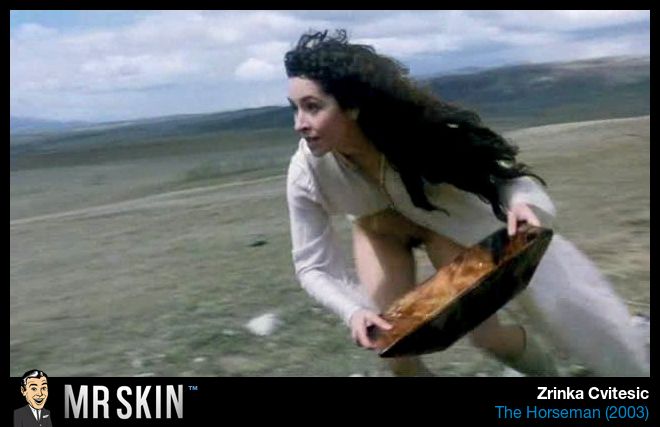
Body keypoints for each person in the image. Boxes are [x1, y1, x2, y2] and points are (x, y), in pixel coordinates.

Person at [284, 29, 649, 376]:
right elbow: (311, 266)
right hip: (380, 235)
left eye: (312, 107)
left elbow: (504, 176)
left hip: (441, 227)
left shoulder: (416, 132)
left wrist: (523, 205)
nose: (300, 123)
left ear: (352, 106)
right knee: (397, 354)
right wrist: (352, 311)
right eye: (294, 108)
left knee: (491, 338)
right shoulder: (306, 172)